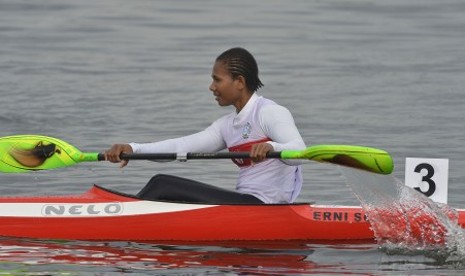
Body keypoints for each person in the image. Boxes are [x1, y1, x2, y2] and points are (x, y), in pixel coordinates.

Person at [105, 47, 306, 204]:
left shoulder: (269, 112)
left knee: (161, 183)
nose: (211, 87)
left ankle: (118, 220)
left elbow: (299, 151)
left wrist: (273, 147)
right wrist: (134, 149)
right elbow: (181, 147)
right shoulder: (226, 126)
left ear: (239, 82)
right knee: (168, 193)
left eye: (217, 80)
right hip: (245, 203)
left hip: (266, 207)